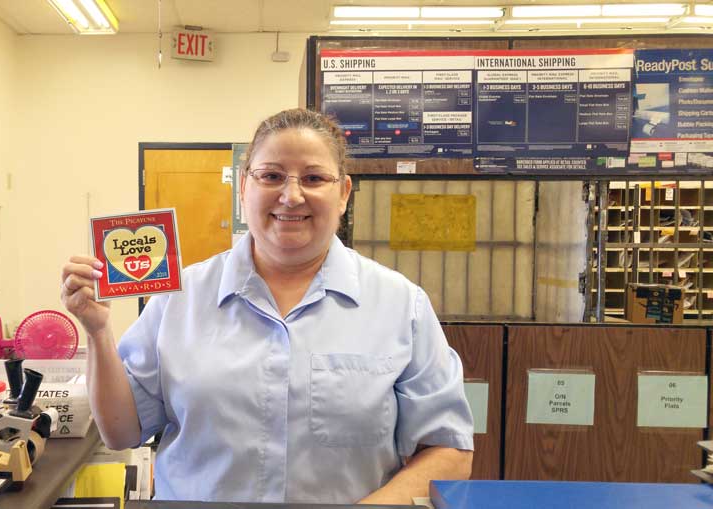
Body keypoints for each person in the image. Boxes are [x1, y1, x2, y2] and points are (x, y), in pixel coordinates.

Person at [60, 108, 474, 504]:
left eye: (313, 178)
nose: (291, 196)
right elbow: (121, 432)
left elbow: (449, 450)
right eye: (272, 176)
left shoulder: (401, 305)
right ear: (244, 187)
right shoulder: (179, 297)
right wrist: (97, 331)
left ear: (343, 192)